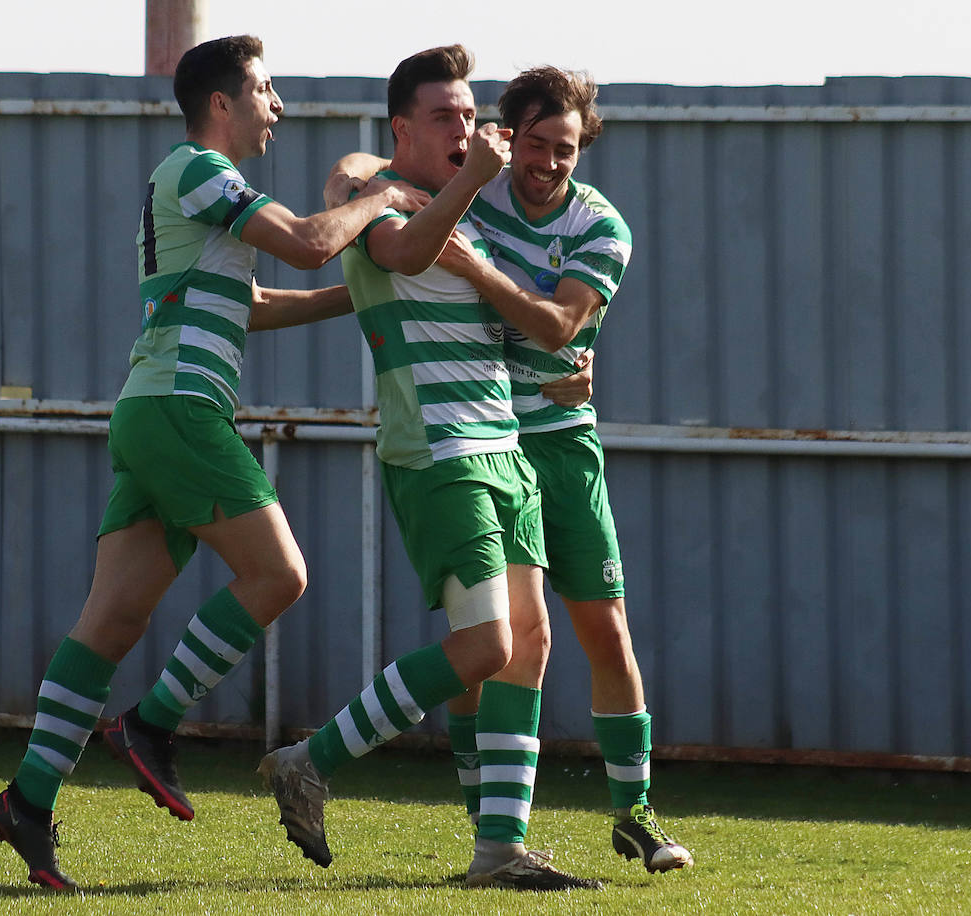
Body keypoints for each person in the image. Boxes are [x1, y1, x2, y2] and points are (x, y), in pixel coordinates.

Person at [0, 34, 431, 892]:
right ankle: (149, 724)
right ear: (221, 102)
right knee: (282, 575)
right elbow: (304, 240)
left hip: (154, 412)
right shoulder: (196, 168)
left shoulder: (196, 190)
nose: (279, 105)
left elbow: (251, 299)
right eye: (265, 89)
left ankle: (28, 802)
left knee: (109, 624)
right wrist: (386, 199)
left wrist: (361, 293)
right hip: (182, 412)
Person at [324, 65, 692, 874]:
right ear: (505, 136)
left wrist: (490, 281)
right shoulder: (472, 187)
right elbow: (370, 172)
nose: (548, 163)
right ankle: (490, 824)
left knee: (603, 630)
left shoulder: (601, 226)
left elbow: (562, 325)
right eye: (534, 143)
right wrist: (349, 176)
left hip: (558, 442)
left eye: (565, 149)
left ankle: (632, 810)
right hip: (482, 440)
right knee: (495, 644)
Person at [257, 44, 599, 892]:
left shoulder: (468, 213)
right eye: (444, 116)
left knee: (529, 644)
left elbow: (494, 326)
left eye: (468, 111)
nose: (466, 127)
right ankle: (310, 759)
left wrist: (560, 365)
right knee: (482, 645)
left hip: (504, 449)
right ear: (405, 129)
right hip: (438, 454)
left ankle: (498, 851)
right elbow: (406, 253)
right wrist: (434, 178)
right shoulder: (387, 207)